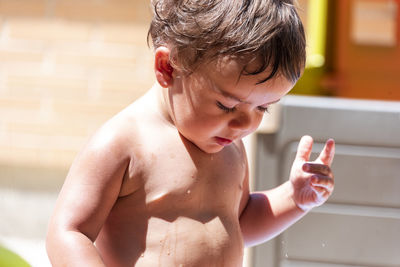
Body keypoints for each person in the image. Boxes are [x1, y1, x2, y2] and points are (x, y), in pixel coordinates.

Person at [46, 0, 335, 266]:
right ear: (168, 68)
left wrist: (294, 198)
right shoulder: (124, 144)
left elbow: (240, 221)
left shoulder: (230, 147)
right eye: (226, 104)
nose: (245, 124)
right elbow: (68, 232)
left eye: (263, 108)